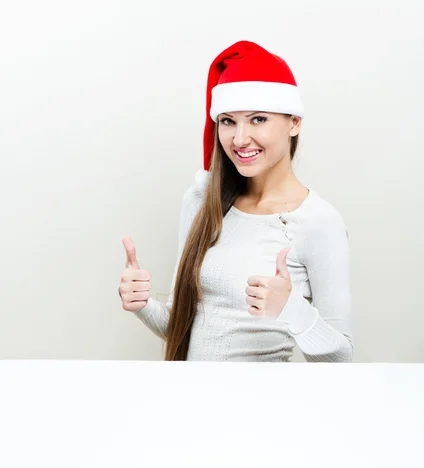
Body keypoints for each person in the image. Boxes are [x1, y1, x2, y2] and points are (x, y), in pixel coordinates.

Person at [119, 40, 354, 362]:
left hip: (262, 405)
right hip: (191, 399)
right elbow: (183, 327)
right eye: (228, 121)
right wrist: (143, 304)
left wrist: (293, 310)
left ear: (294, 122)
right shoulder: (203, 202)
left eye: (258, 119)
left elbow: (340, 358)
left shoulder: (318, 221)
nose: (240, 139)